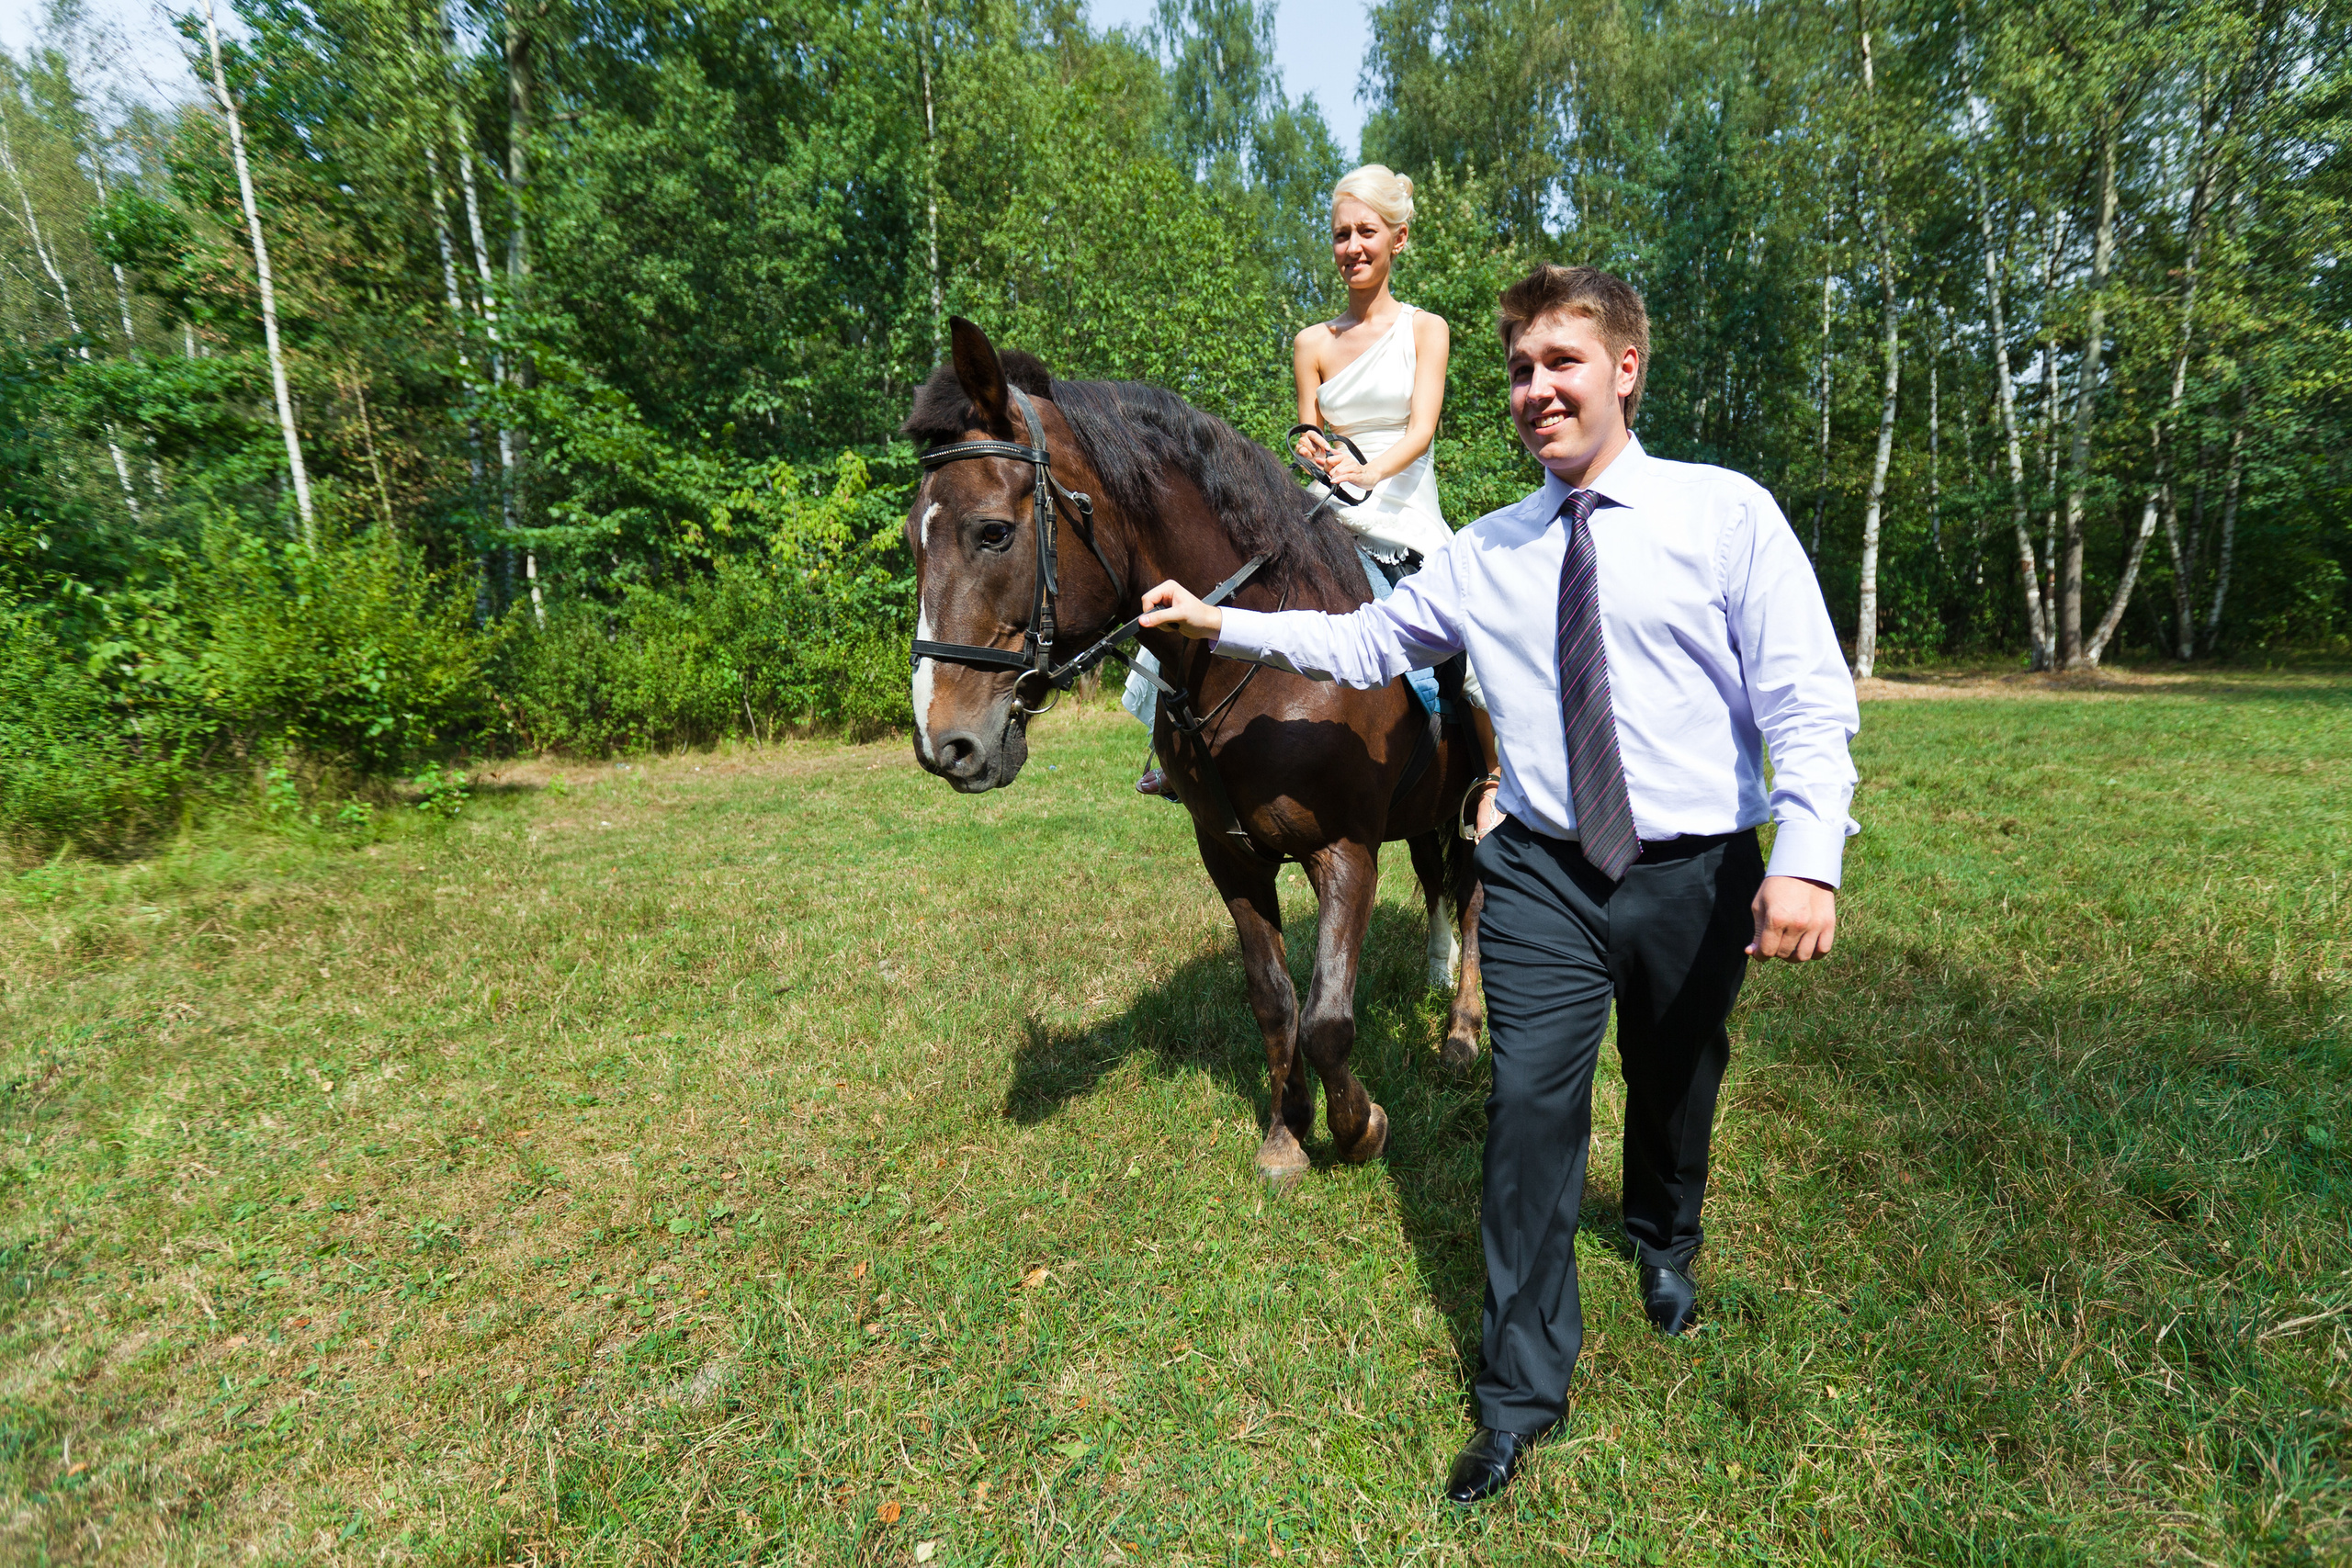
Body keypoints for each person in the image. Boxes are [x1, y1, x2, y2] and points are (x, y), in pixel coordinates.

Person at [1136, 265, 1859, 1505]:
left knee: (1680, 1073)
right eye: (1521, 371)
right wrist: (1221, 623)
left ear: (1625, 369)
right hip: (1540, 871)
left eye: (1561, 363)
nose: (1536, 389)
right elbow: (1370, 642)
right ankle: (1521, 1390)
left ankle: (1663, 1232)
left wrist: (1805, 854)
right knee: (1530, 1113)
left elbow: (1804, 693)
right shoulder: (1489, 552)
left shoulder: (1724, 514)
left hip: (1694, 865)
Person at [1130, 165, 1501, 836]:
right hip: (1326, 502)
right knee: (1224, 582)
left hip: (1404, 509)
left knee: (1471, 648)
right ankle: (1173, 756)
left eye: (1366, 232)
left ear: (1399, 238)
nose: (1352, 246)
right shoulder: (1311, 342)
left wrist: (1366, 472)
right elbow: (1306, 425)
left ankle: (1490, 775)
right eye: (1340, 235)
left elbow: (1420, 431)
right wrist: (1313, 450)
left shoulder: (1427, 329)